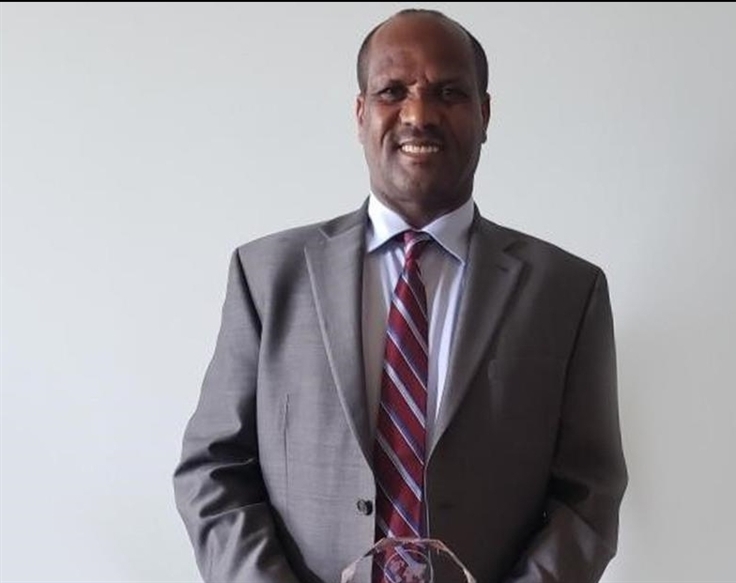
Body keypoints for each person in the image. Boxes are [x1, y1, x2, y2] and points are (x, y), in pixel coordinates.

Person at [173, 8, 627, 583]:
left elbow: (588, 494)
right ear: (361, 113)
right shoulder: (267, 277)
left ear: (485, 114)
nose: (419, 115)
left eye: (449, 93)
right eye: (392, 91)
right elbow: (213, 470)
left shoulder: (566, 291)